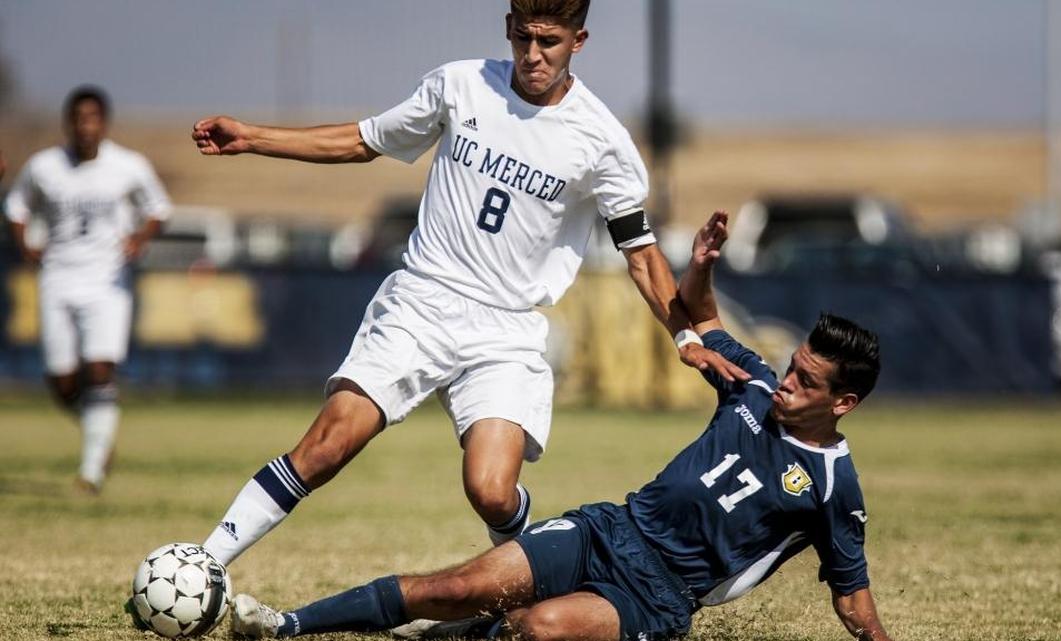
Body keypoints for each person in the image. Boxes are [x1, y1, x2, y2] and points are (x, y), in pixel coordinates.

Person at [188, 0, 748, 571]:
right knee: (329, 443)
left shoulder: (602, 141)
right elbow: (364, 140)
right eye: (523, 38)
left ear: (578, 41)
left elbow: (642, 256)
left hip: (506, 329)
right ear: (508, 29)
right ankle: (202, 563)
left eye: (549, 42)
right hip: (422, 300)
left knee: (490, 490)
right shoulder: (459, 85)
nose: (533, 55)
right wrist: (251, 136)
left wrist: (684, 336)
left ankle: (530, 568)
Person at [225, 211, 894, 641]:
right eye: (792, 366)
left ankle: (457, 636)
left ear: (844, 404)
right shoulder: (750, 385)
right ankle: (285, 626)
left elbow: (854, 603)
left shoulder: (835, 487)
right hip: (610, 528)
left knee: (535, 629)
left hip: (658, 595)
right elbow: (706, 321)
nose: (786, 381)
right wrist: (703, 265)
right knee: (453, 587)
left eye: (806, 380)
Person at [4, 85, 170, 494]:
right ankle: (100, 433)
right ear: (69, 124)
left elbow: (158, 209)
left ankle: (92, 470)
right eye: (79, 119)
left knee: (99, 369)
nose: (86, 127)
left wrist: (139, 239)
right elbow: (16, 207)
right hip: (57, 276)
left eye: (93, 118)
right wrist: (24, 241)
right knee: (62, 383)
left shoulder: (127, 165)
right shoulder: (44, 166)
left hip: (107, 280)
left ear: (104, 123)